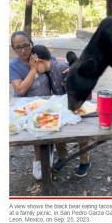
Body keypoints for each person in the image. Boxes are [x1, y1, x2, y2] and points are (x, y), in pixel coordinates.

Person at [9, 31, 62, 180]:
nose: (23, 50)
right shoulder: (13, 66)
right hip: (25, 106)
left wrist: (71, 65)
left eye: (26, 45)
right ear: (14, 49)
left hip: (46, 104)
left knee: (54, 123)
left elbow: (55, 60)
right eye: (18, 47)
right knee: (34, 127)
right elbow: (20, 89)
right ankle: (38, 160)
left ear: (31, 44)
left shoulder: (37, 55)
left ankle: (50, 151)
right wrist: (32, 70)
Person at [32, 45, 91, 177]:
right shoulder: (48, 70)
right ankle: (62, 157)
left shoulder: (63, 68)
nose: (34, 69)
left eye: (35, 65)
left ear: (40, 62)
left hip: (78, 105)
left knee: (81, 134)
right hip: (63, 107)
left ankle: (84, 161)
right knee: (56, 129)